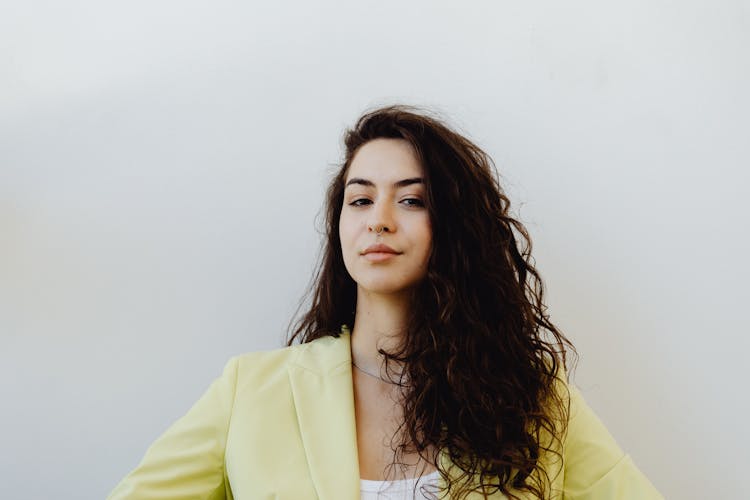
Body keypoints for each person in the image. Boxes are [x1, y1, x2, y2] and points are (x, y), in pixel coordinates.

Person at [108, 105, 662, 499]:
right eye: (361, 198)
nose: (379, 218)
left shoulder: (533, 397)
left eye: (412, 199)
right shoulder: (249, 391)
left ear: (455, 229)